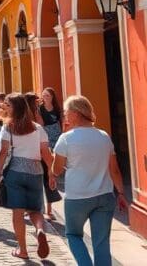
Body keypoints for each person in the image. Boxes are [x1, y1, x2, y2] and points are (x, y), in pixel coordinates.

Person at [52, 95, 128, 266]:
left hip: (78, 197)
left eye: (66, 112)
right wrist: (121, 193)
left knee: (73, 235)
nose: (64, 116)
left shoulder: (66, 138)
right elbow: (114, 170)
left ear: (76, 113)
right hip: (104, 195)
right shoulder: (103, 136)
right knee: (101, 243)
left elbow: (56, 170)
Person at [0, 93, 55, 260]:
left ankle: (23, 250)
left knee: (18, 212)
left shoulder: (8, 127)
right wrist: (51, 173)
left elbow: (2, 152)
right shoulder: (38, 128)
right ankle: (40, 231)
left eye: (8, 105)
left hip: (15, 171)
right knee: (35, 210)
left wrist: (0, 172)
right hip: (35, 171)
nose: (5, 108)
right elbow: (46, 153)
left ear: (14, 108)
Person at [26, 92, 61, 220]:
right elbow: (41, 126)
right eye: (36, 101)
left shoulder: (25, 115)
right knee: (47, 178)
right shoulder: (35, 113)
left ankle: (33, 209)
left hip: (31, 152)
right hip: (41, 150)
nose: (38, 102)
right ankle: (48, 211)